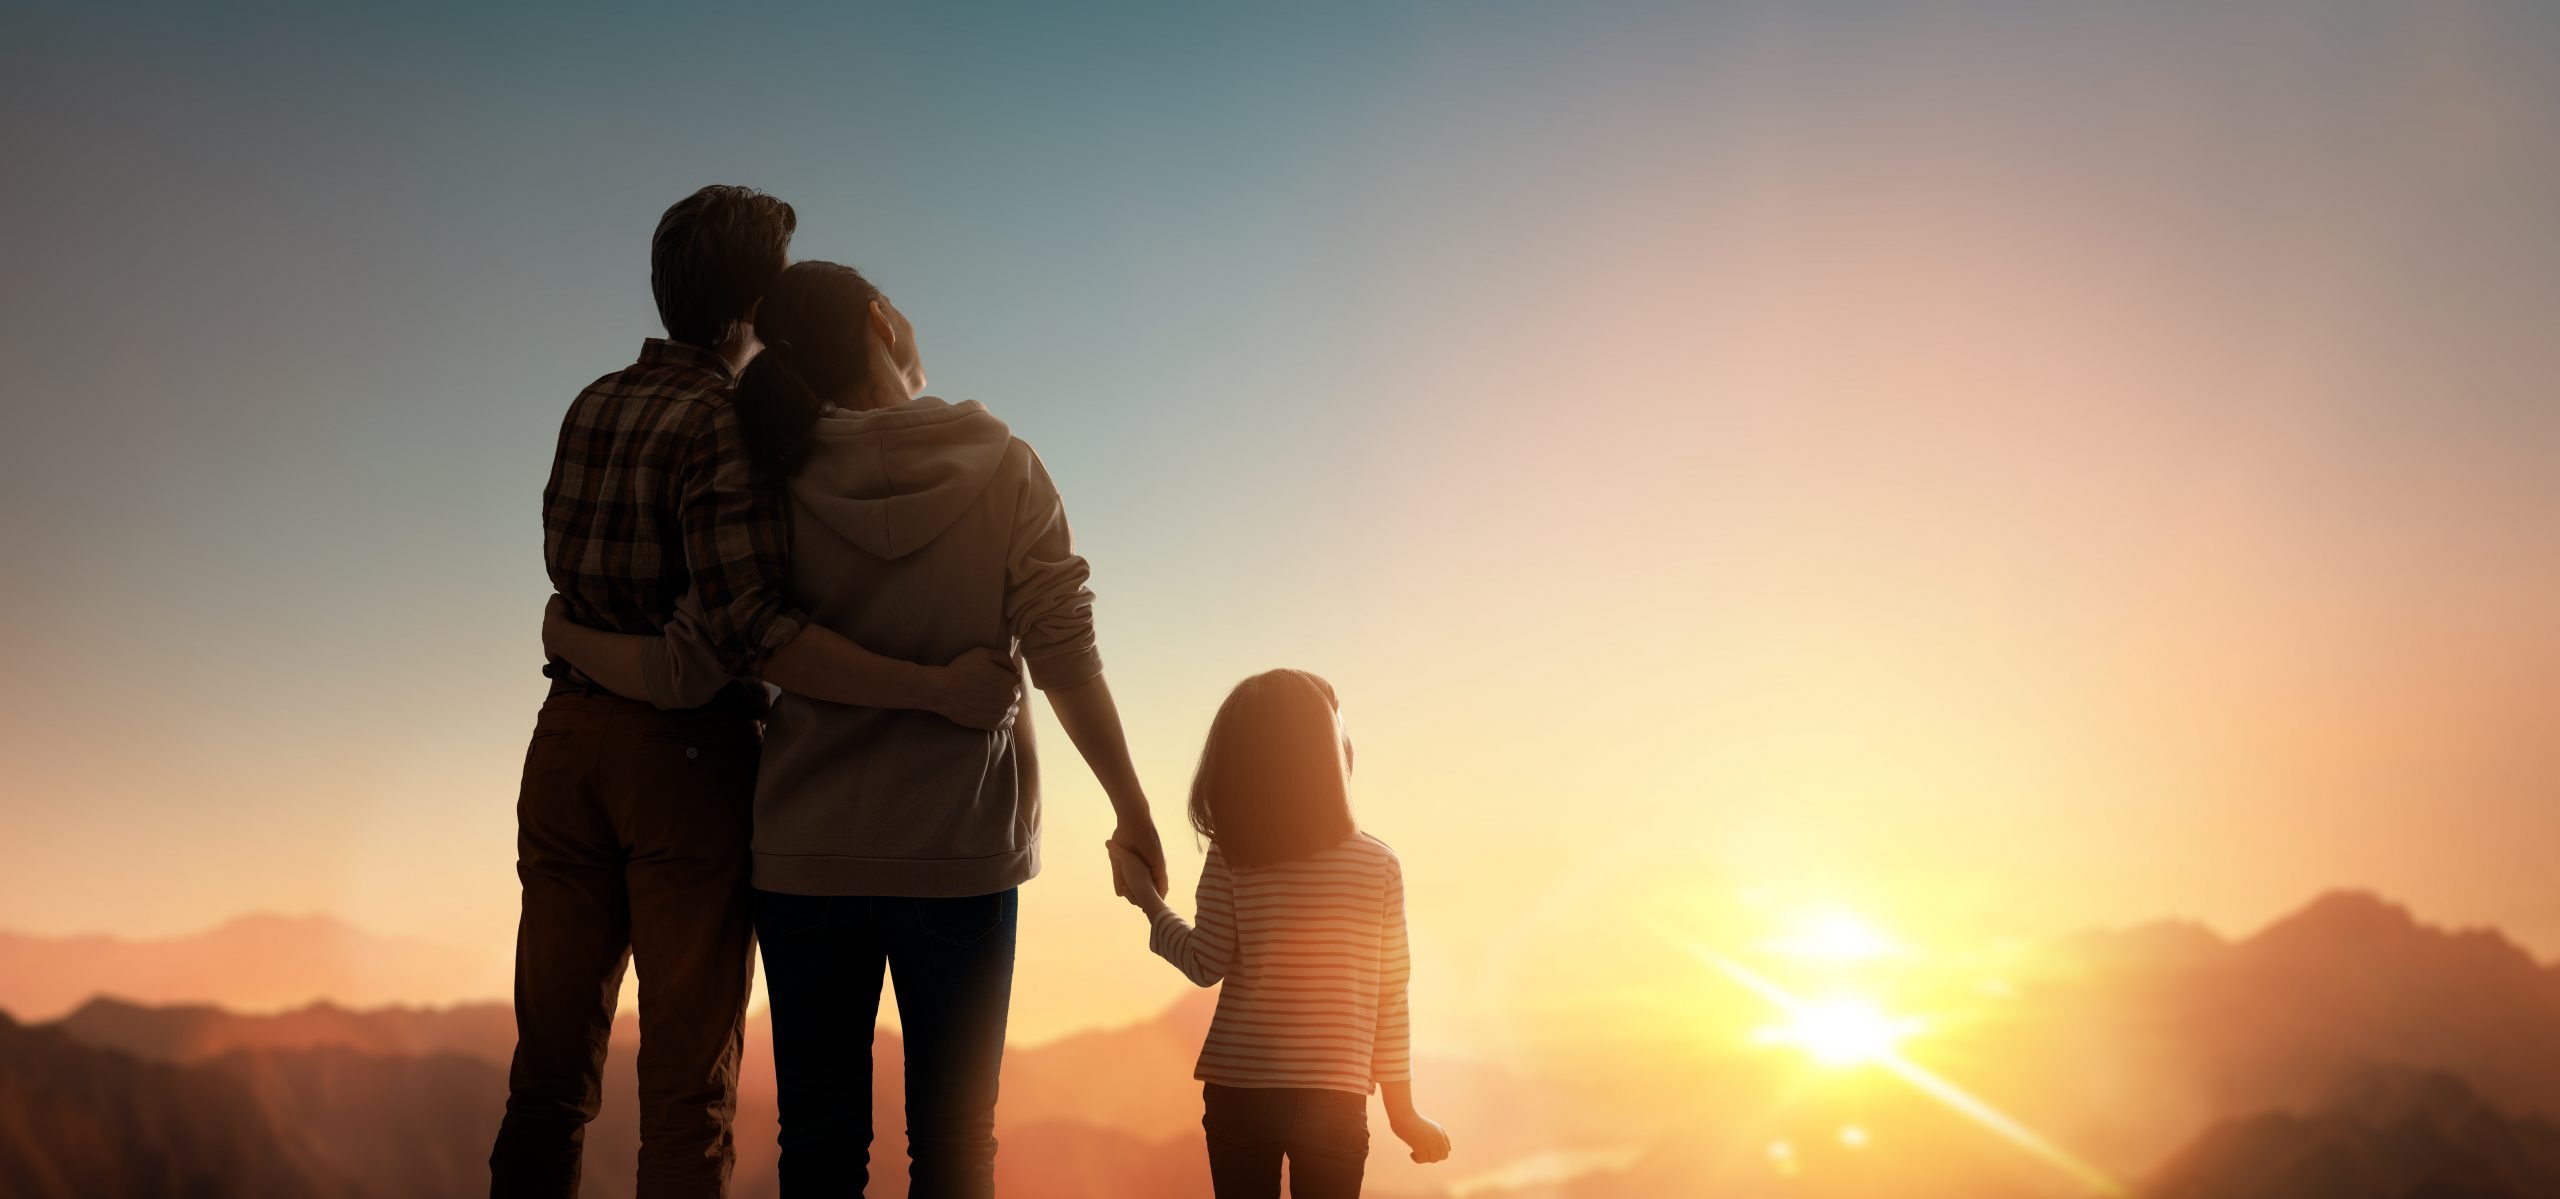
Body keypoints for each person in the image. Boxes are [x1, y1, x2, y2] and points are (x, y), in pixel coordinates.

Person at [542, 258, 1169, 1198]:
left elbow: (745, 638)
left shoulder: (770, 478)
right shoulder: (1006, 466)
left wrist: (564, 629)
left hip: (804, 854)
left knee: (822, 1151)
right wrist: (1132, 806)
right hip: (959, 853)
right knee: (957, 1150)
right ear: (883, 321)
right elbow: (1063, 649)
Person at [492, 187, 1026, 1199]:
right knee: (685, 1092)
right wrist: (931, 686)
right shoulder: (727, 425)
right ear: (751, 309)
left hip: (562, 744)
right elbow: (748, 637)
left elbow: (575, 585)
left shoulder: (591, 401)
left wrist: (563, 634)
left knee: (548, 1076)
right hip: (681, 764)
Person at [1106, 669, 1452, 1199]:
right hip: (1336, 1100)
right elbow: (1390, 998)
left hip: (1240, 1093)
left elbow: (1205, 963)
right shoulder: (1379, 866)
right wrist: (1403, 1114)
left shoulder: (1233, 854)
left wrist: (1147, 901)